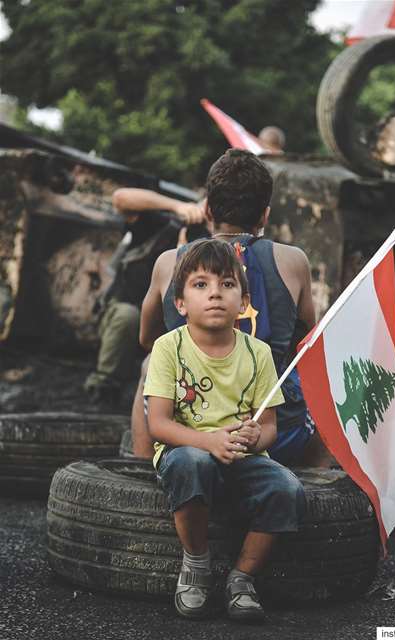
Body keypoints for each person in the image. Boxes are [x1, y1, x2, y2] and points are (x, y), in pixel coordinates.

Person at [134, 149, 334, 467]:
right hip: (272, 433)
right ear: (265, 216)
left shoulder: (170, 263)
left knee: (151, 367)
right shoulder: (293, 261)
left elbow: (146, 338)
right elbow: (308, 342)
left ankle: (146, 472)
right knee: (321, 380)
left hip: (190, 432)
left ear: (209, 210)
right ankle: (311, 480)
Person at [144, 238, 305, 622]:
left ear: (244, 302)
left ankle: (242, 578)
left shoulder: (258, 353)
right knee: (192, 463)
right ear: (180, 304)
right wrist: (208, 441)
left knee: (288, 490)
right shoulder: (170, 347)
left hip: (242, 457)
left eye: (227, 285)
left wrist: (254, 438)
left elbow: (269, 428)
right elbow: (159, 424)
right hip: (187, 449)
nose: (215, 294)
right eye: (201, 285)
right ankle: (197, 564)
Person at [83, 187, 205, 406]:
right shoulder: (161, 226)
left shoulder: (214, 244)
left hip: (175, 322)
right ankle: (103, 389)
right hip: (130, 313)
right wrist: (178, 207)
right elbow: (120, 198)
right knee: (127, 316)